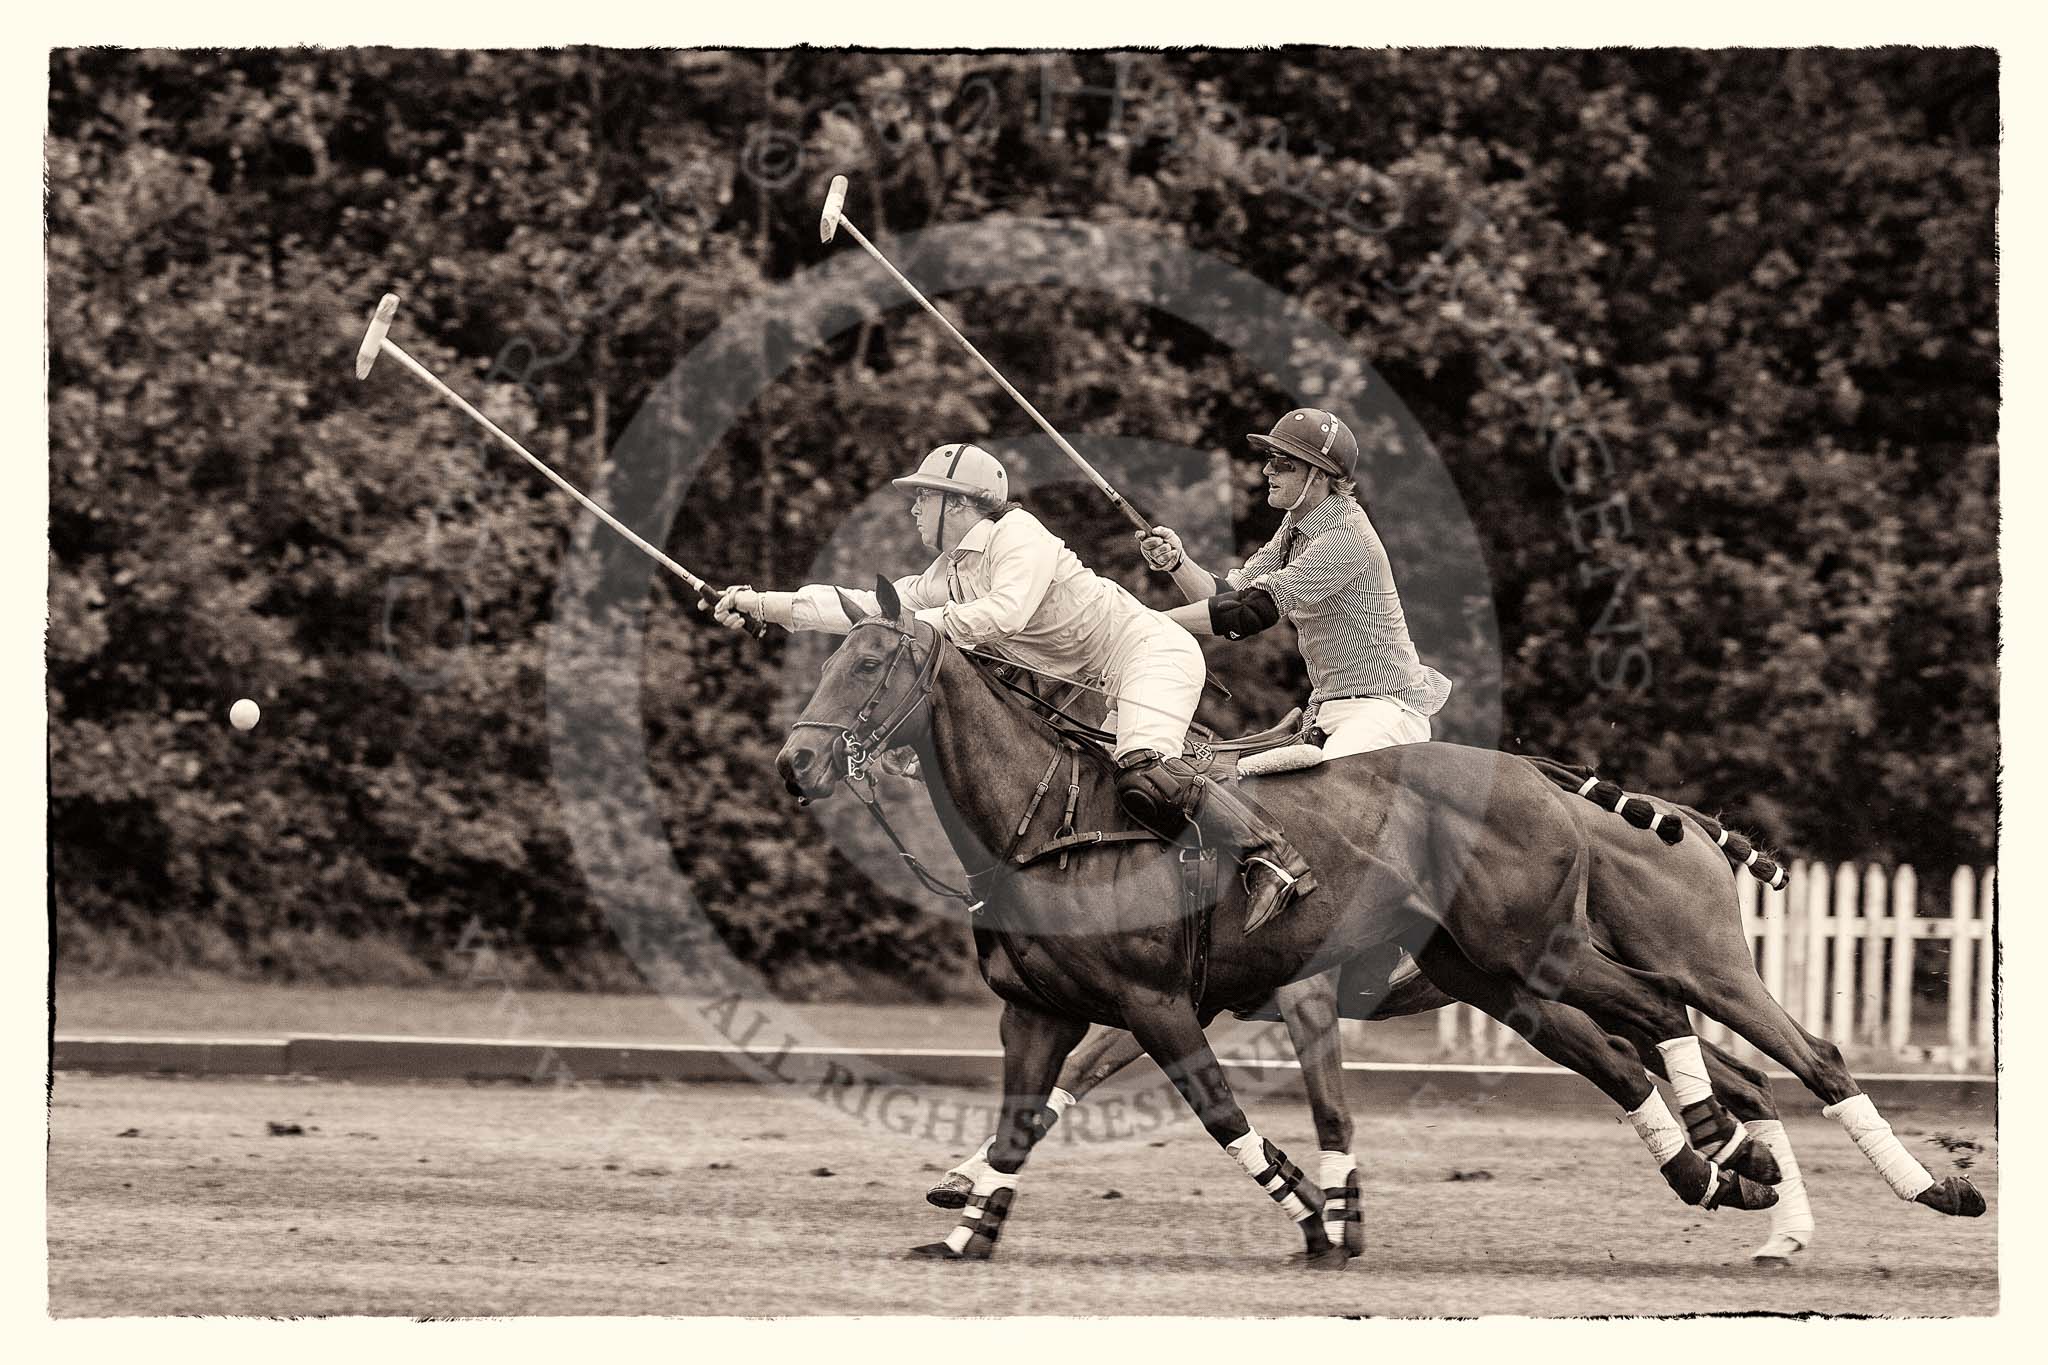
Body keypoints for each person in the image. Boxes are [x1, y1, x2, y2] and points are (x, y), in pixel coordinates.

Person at [713, 441, 1315, 928]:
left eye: (924, 498)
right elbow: (869, 608)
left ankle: (1272, 857)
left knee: (1143, 765)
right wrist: (760, 604)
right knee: (1093, 802)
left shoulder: (1019, 536)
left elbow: (1003, 615)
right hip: (1094, 685)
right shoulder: (949, 571)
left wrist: (906, 625)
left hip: (1150, 654)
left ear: (961, 504)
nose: (914, 510)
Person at [1138, 408, 1452, 760]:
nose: (1267, 469)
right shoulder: (1297, 525)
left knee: (1326, 797)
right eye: (1270, 459)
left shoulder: (1345, 536)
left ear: (1318, 475)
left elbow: (1248, 612)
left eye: (1283, 462)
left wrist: (1143, 621)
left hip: (1384, 711)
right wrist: (1178, 563)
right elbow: (1230, 597)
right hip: (1330, 710)